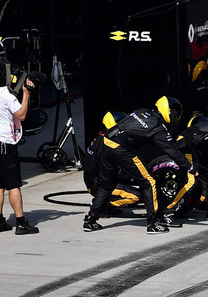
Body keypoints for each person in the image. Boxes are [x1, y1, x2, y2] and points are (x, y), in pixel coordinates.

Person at [82, 96, 193, 234]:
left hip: (106, 143)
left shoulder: (142, 111)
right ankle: (153, 223)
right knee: (149, 182)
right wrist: (189, 166)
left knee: (107, 185)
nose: (176, 119)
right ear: (169, 112)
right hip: (122, 149)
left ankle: (91, 220)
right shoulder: (158, 128)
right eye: (175, 115)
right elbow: (172, 151)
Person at [0, 59, 39, 235]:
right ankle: (21, 223)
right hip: (4, 143)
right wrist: (26, 94)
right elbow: (22, 115)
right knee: (13, 185)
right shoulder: (6, 95)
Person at [83, 111, 142, 211]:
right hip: (99, 185)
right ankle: (102, 205)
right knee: (137, 196)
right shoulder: (107, 146)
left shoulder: (100, 139)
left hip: (95, 181)